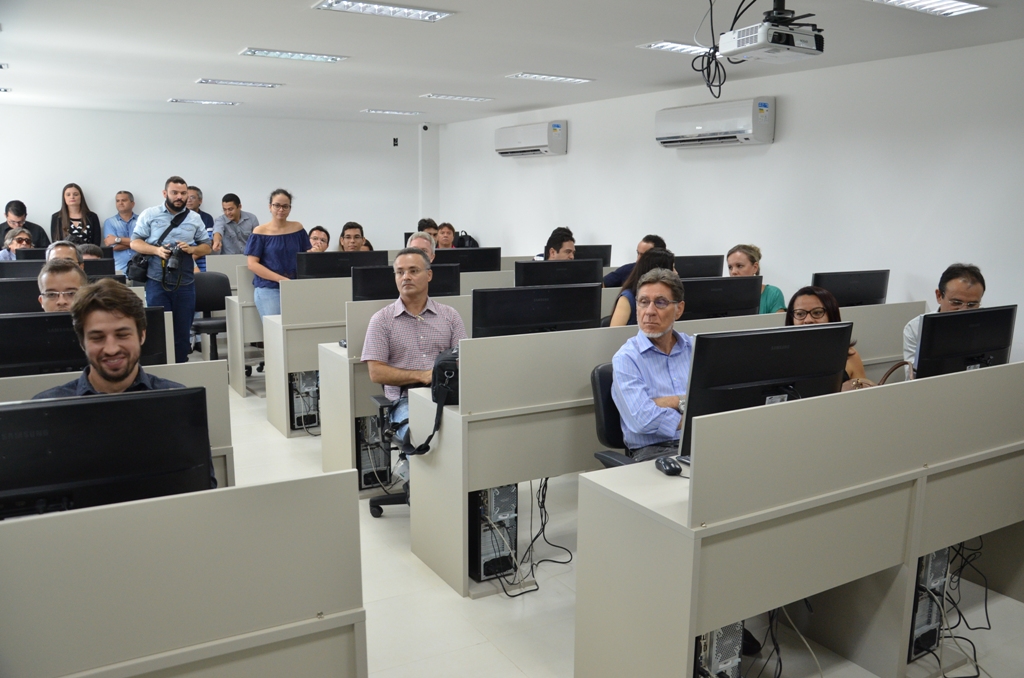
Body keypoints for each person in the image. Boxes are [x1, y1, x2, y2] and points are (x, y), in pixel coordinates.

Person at [361, 247, 467, 440]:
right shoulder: (381, 320)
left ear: (429, 275)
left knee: (466, 432)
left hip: (447, 395)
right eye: (400, 272)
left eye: (413, 271)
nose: (406, 277)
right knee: (420, 435)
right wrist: (423, 376)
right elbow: (376, 372)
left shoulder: (450, 315)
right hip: (404, 400)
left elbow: (465, 359)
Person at [31, 278, 183, 393]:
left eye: (122, 335)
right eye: (97, 338)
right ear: (82, 342)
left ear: (142, 335)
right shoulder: (47, 409)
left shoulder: (177, 401)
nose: (111, 349)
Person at [611, 268, 692, 462]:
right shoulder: (626, 358)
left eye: (661, 302)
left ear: (679, 309)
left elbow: (717, 404)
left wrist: (661, 403)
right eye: (643, 302)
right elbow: (643, 419)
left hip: (699, 442)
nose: (649, 312)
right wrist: (684, 404)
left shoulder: (695, 348)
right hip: (653, 452)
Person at [130, 176, 212, 363]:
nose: (179, 197)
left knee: (182, 333)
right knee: (158, 330)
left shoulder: (194, 218)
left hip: (185, 282)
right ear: (165, 193)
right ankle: (160, 369)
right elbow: (135, 242)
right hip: (156, 280)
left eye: (183, 193)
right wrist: (156, 250)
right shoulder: (150, 214)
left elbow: (207, 247)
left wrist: (191, 249)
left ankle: (181, 366)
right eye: (175, 193)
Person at [903, 263, 986, 378]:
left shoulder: (986, 327)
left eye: (972, 304)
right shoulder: (916, 328)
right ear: (939, 296)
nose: (963, 310)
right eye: (956, 303)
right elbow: (912, 378)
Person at [244, 189, 311, 317]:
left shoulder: (297, 228)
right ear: (270, 207)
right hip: (269, 288)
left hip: (295, 287)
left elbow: (305, 255)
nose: (281, 209)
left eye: (285, 206)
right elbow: (252, 264)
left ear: (290, 208)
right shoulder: (260, 231)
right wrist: (281, 280)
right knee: (276, 326)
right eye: (277, 205)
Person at [785, 286, 869, 388]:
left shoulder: (849, 355)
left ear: (831, 315)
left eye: (817, 312)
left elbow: (863, 395)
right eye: (800, 314)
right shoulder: (782, 357)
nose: (808, 320)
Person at [609, 247, 676, 327]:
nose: (676, 272)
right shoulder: (627, 298)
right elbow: (615, 332)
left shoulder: (671, 296)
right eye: (672, 268)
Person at [727, 243, 785, 314]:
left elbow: (778, 320)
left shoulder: (773, 294)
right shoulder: (725, 297)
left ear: (755, 267)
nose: (733, 272)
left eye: (739, 266)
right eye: (730, 267)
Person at [102, 190, 137, 273]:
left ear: (132, 204)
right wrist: (138, 244)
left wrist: (117, 239)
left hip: (140, 268)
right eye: (118, 201)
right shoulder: (109, 222)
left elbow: (147, 242)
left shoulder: (141, 221)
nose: (120, 203)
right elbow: (113, 247)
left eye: (124, 200)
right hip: (119, 268)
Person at [187, 186, 215, 272]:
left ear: (200, 200)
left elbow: (209, 243)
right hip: (182, 263)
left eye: (192, 197)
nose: (189, 200)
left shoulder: (206, 218)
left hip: (202, 264)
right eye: (186, 197)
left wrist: (190, 260)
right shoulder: (176, 218)